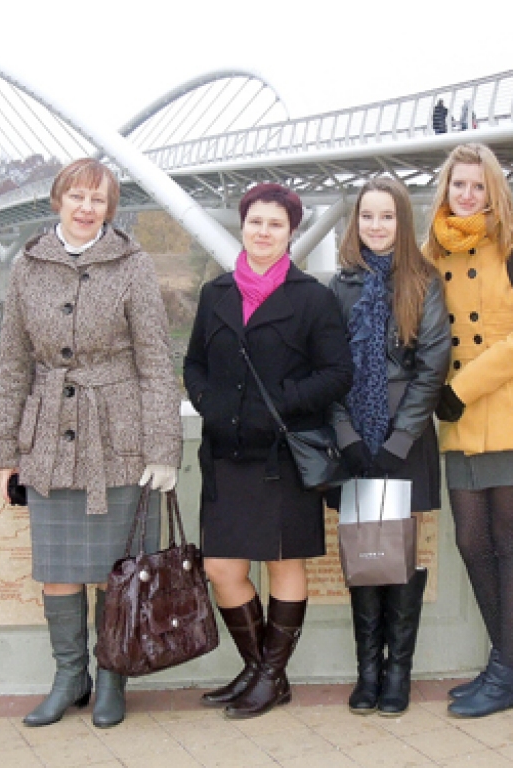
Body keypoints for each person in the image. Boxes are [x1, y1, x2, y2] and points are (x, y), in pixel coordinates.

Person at [0, 158, 183, 729]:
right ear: (57, 200)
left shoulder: (134, 265)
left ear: (110, 208)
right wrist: (7, 452)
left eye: (97, 200)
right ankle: (68, 676)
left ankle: (110, 680)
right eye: (76, 196)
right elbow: (13, 364)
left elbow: (155, 361)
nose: (85, 208)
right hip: (48, 440)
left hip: (119, 437)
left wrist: (163, 449)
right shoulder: (26, 267)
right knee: (59, 569)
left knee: (116, 572)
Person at [183, 183, 352, 719]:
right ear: (242, 226)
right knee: (222, 568)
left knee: (283, 566)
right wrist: (208, 403)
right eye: (255, 222)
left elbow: (337, 373)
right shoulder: (216, 294)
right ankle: (263, 673)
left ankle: (267, 676)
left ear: (291, 232)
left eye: (275, 224)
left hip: (282, 457)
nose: (263, 232)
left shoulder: (313, 298)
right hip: (227, 452)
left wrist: (280, 403)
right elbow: (193, 365)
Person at [425, 143, 513, 718]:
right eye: (459, 185)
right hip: (458, 417)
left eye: (478, 186)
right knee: (470, 542)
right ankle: (503, 663)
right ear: (446, 190)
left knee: (509, 542)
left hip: (510, 409)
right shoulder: (432, 249)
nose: (468, 194)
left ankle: (506, 673)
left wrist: (461, 388)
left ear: (494, 189)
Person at [328, 177, 449, 716]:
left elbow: (433, 367)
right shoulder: (339, 286)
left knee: (400, 554)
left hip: (406, 438)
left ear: (403, 222)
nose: (375, 226)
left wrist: (400, 437)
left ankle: (398, 671)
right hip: (354, 439)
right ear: (355, 223)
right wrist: (350, 439)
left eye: (387, 216)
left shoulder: (424, 281)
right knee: (364, 554)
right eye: (367, 216)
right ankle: (368, 672)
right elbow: (327, 370)